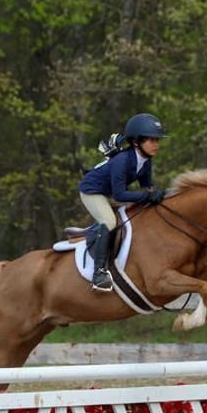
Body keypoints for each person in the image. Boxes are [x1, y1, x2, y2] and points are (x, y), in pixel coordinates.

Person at [78, 113, 167, 292]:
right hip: (91, 191)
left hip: (107, 193)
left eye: (157, 140)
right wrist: (147, 197)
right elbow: (119, 194)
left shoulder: (146, 161)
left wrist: (159, 197)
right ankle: (99, 273)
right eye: (151, 140)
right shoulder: (122, 161)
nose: (156, 144)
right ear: (136, 142)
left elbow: (147, 188)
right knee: (109, 222)